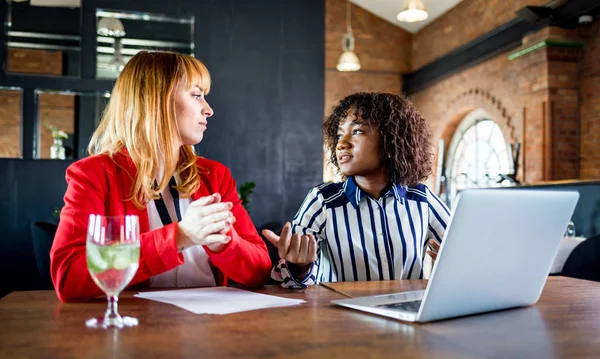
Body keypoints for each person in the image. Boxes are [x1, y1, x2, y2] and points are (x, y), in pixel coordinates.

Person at [50, 51, 271, 302]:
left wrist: (225, 244)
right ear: (157, 101)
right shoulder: (93, 175)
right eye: (196, 95)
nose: (208, 110)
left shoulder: (215, 176)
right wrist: (179, 237)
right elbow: (68, 277)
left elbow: (260, 270)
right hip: (134, 330)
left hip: (210, 330)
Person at [263, 92, 450, 288]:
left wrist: (452, 265)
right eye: (338, 135)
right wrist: (299, 267)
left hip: (408, 315)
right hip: (345, 318)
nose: (341, 144)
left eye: (357, 131)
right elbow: (294, 282)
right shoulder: (322, 201)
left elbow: (460, 252)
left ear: (391, 138)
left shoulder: (422, 199)